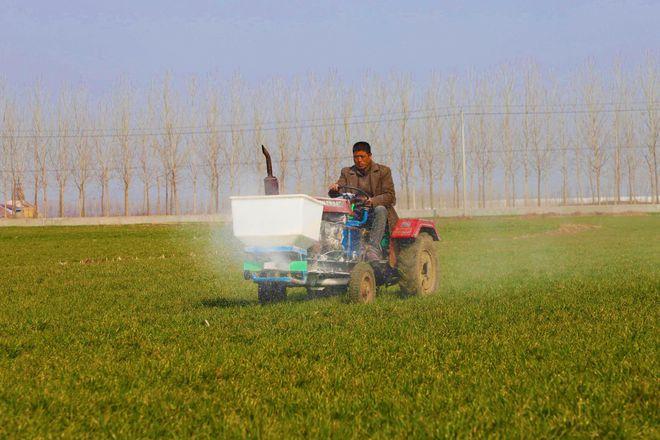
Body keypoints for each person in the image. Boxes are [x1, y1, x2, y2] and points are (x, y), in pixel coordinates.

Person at [329, 141, 398, 261]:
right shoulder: (347, 172)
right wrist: (335, 189)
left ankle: (373, 249)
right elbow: (338, 190)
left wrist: (373, 201)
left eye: (362, 156)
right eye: (356, 157)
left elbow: (390, 196)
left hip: (376, 213)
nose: (359, 160)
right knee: (332, 216)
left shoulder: (383, 171)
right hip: (355, 212)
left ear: (370, 156)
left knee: (380, 209)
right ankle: (333, 249)